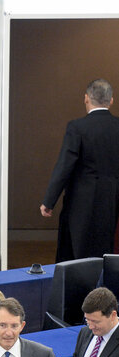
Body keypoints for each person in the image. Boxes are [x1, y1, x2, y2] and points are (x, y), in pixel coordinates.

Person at [40, 78, 119, 262]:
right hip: (111, 201)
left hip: (81, 204)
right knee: (104, 251)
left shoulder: (77, 127)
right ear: (111, 100)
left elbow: (64, 166)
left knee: (76, 253)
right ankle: (102, 289)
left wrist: (49, 201)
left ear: (86, 98)